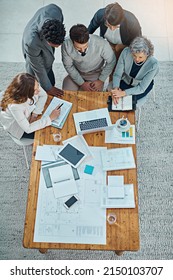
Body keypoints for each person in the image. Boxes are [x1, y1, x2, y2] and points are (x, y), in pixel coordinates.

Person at [22, 4, 66, 98]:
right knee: (33, 81)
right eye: (55, 45)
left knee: (48, 66)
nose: (58, 47)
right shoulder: (31, 42)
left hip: (47, 35)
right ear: (46, 40)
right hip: (33, 49)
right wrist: (48, 87)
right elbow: (38, 67)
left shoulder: (55, 10)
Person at [0, 73, 61, 140]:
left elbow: (44, 95)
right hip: (20, 129)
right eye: (35, 90)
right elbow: (28, 129)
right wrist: (50, 118)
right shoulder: (15, 107)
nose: (39, 90)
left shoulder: (32, 83)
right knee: (50, 133)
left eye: (38, 85)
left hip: (28, 116)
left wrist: (34, 115)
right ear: (25, 92)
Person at [61, 24, 116, 91]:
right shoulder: (66, 44)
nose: (83, 51)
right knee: (67, 95)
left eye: (85, 47)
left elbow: (111, 61)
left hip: (95, 74)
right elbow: (68, 66)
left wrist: (101, 80)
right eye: (78, 48)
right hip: (77, 72)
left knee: (93, 99)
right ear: (72, 41)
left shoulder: (102, 44)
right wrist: (82, 83)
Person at [111, 36, 159, 105]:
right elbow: (117, 74)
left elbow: (141, 88)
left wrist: (123, 93)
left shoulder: (154, 64)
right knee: (114, 99)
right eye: (134, 55)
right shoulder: (126, 52)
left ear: (147, 54)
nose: (137, 59)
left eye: (140, 57)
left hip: (140, 86)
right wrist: (116, 89)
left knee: (127, 103)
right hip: (125, 81)